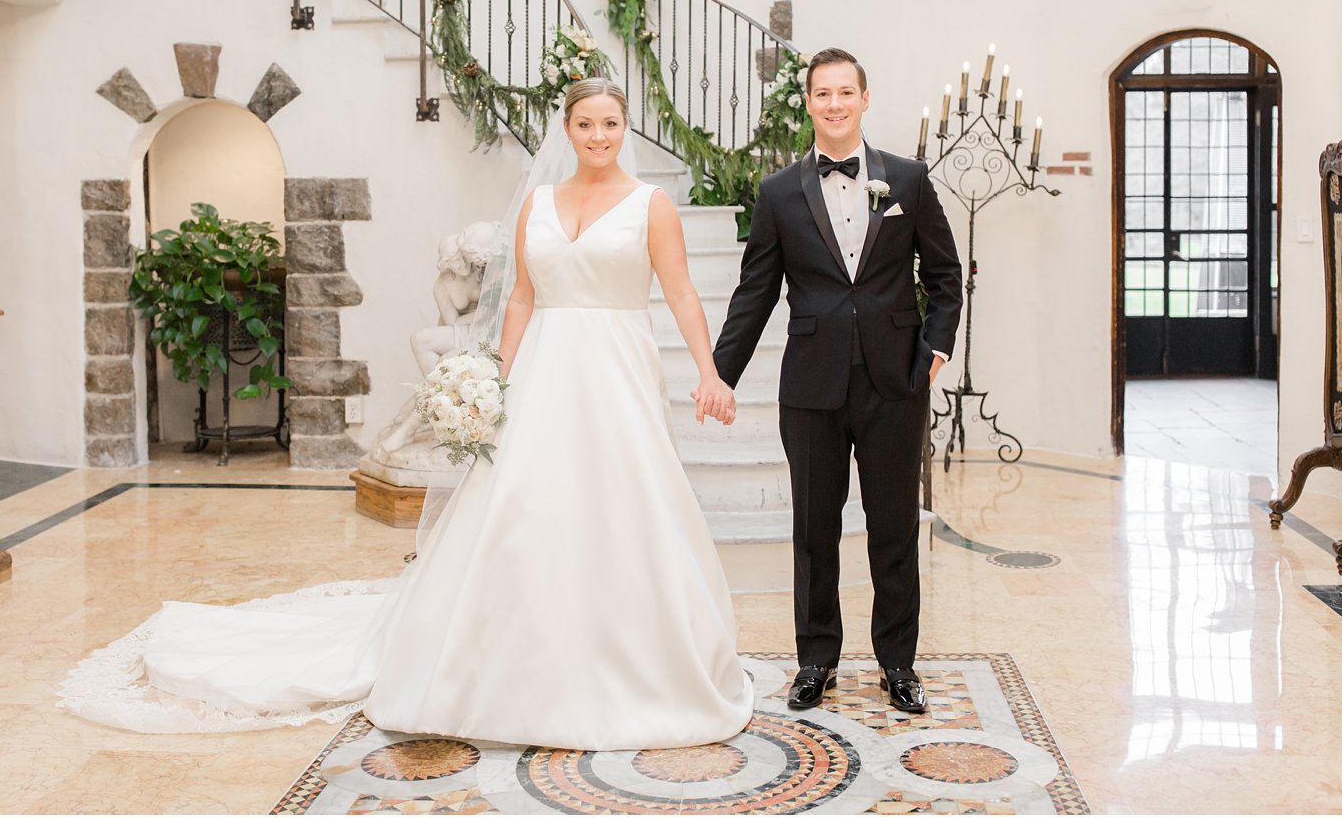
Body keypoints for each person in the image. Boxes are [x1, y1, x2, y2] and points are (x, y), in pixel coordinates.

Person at [59, 77, 755, 751]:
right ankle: (501, 653)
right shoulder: (538, 203)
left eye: (610, 123)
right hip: (543, 368)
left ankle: (625, 654)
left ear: (622, 127)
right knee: (522, 505)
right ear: (566, 130)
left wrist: (708, 371)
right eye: (585, 123)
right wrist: (494, 380)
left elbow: (684, 294)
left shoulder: (650, 205)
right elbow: (518, 301)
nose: (598, 135)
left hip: (615, 369)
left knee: (619, 503)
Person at [713, 48, 963, 714]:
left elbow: (945, 277)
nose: (833, 103)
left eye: (844, 92)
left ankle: (899, 664)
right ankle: (815, 660)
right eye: (821, 93)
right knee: (814, 530)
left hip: (894, 384)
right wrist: (720, 373)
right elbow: (754, 292)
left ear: (864, 99)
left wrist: (935, 349)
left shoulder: (908, 180)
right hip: (811, 389)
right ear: (810, 102)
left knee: (893, 530)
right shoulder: (777, 193)